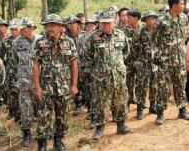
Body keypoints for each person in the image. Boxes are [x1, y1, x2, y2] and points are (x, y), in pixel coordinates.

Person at [83, 11, 133, 139]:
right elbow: (86, 57)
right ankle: (99, 128)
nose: (106, 25)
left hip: (119, 77)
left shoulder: (121, 35)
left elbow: (126, 52)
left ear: (114, 22)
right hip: (101, 78)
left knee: (120, 100)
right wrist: (94, 72)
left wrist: (118, 66)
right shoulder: (92, 38)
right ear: (99, 24)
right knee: (101, 103)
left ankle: (121, 125)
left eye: (109, 23)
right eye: (103, 23)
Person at [33, 14, 78, 151]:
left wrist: (74, 85)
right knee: (44, 115)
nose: (49, 28)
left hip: (64, 86)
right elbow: (35, 65)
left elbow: (74, 64)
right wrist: (37, 87)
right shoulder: (40, 43)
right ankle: (42, 144)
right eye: (47, 25)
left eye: (52, 25)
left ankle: (59, 141)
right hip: (46, 87)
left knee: (62, 115)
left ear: (61, 27)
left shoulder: (69, 43)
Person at [152, 0, 189, 125]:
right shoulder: (161, 21)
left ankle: (182, 110)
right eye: (181, 3)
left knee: (180, 85)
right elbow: (154, 40)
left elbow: (185, 35)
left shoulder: (184, 19)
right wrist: (160, 55)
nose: (183, 6)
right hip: (165, 60)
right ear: (174, 6)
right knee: (163, 86)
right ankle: (160, 113)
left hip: (180, 59)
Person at [11, 17, 42, 147]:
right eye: (20, 29)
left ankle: (43, 131)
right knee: (25, 108)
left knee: (43, 107)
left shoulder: (41, 40)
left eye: (23, 29)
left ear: (31, 28)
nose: (20, 31)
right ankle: (27, 133)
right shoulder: (16, 43)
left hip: (41, 81)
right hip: (24, 81)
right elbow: (14, 61)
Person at [133, 11, 159, 119]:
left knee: (154, 86)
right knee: (141, 87)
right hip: (143, 64)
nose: (151, 21)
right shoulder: (139, 33)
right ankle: (140, 108)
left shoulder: (158, 32)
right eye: (149, 19)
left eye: (153, 19)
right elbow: (134, 48)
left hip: (155, 64)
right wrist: (137, 62)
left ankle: (152, 106)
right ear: (145, 21)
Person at [65, 15, 85, 117]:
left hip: (84, 64)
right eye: (70, 24)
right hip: (71, 65)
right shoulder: (65, 38)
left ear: (78, 24)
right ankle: (78, 104)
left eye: (74, 23)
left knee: (86, 85)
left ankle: (88, 104)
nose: (72, 26)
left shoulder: (85, 35)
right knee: (74, 84)